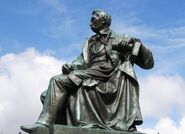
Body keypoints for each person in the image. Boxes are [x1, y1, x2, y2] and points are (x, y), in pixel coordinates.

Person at [21, 9, 154, 133]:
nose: (90, 22)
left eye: (93, 19)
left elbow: (148, 63)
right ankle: (55, 126)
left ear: (103, 22)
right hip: (90, 73)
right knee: (46, 95)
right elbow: (81, 60)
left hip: (109, 76)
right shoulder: (89, 42)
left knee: (57, 80)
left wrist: (137, 44)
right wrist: (71, 65)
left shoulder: (120, 37)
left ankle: (43, 124)